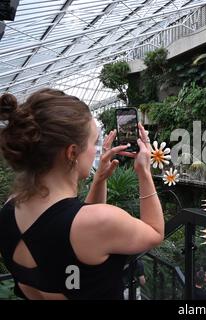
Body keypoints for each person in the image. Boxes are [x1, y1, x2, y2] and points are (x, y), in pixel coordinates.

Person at [0, 89, 164, 300]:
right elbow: (155, 231)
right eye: (94, 142)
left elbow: (71, 231)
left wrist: (100, 179)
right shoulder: (100, 221)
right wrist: (144, 172)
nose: (98, 150)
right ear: (71, 153)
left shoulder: (8, 210)